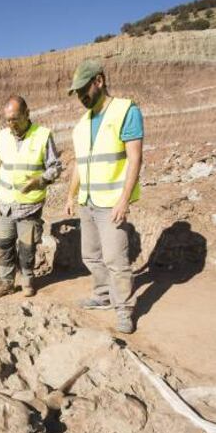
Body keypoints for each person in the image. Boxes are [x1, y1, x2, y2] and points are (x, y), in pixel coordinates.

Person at [65, 59, 143, 334]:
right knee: (90, 256)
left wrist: (124, 199)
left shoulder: (125, 111)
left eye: (83, 90)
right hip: (88, 201)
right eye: (76, 92)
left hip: (111, 202)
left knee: (116, 261)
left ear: (99, 81)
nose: (80, 97)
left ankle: (124, 309)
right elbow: (79, 163)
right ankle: (102, 295)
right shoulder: (82, 124)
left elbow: (135, 158)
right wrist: (71, 195)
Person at [0, 95, 61, 298]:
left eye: (15, 119)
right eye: (8, 119)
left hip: (29, 205)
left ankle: (27, 280)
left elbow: (55, 167)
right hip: (4, 204)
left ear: (27, 114)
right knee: (4, 244)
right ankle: (6, 282)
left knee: (27, 247)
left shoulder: (43, 135)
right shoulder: (2, 136)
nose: (11, 124)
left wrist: (41, 180)